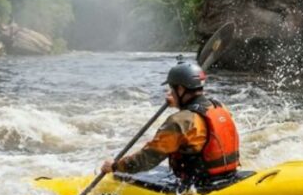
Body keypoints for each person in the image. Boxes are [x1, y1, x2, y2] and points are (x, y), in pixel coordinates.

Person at [100, 59, 240, 187]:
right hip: (229, 177)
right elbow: (200, 117)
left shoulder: (179, 121)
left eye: (172, 89)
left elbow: (148, 158)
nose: (170, 92)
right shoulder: (220, 107)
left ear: (180, 89)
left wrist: (115, 167)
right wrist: (181, 105)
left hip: (197, 185)